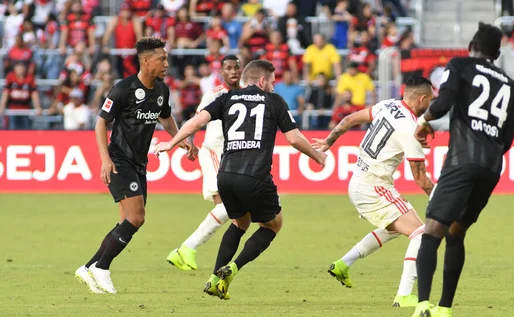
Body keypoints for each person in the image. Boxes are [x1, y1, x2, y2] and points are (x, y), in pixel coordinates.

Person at [155, 60, 327, 300]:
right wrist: (318, 156)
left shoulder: (227, 98)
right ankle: (232, 270)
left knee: (239, 223)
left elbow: (196, 122)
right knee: (272, 225)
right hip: (255, 176)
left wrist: (171, 143)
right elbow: (295, 139)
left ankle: (215, 279)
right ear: (263, 80)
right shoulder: (274, 101)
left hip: (226, 176)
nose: (275, 87)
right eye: (273, 82)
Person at [402, 23, 514, 317]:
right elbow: (507, 139)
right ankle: (445, 310)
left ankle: (424, 306)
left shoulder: (460, 65)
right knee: (456, 233)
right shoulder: (510, 85)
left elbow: (441, 105)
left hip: (462, 161)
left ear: (471, 45)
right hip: (492, 168)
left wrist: (423, 122)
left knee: (431, 233)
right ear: (496, 53)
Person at [75, 37, 196, 294]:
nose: (166, 63)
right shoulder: (123, 89)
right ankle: (102, 268)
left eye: (166, 58)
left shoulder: (162, 90)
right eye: (161, 58)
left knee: (126, 222)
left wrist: (180, 140)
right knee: (136, 217)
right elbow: (100, 123)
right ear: (145, 60)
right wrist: (105, 159)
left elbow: (166, 118)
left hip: (140, 163)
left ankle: (88, 267)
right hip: (119, 159)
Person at [313, 78, 435, 308]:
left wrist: (328, 142)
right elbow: (421, 180)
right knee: (421, 233)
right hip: (374, 187)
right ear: (423, 99)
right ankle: (404, 295)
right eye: (430, 100)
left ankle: (343, 264)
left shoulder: (387, 105)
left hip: (358, 181)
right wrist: (442, 199)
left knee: (394, 229)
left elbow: (348, 119)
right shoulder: (410, 128)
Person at [166, 55, 242, 271]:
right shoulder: (214, 94)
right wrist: (188, 142)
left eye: (237, 67)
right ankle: (188, 248)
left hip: (235, 157)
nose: (234, 71)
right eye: (228, 68)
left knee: (234, 211)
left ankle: (186, 250)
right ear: (222, 72)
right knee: (229, 207)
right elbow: (197, 120)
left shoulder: (248, 94)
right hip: (215, 153)